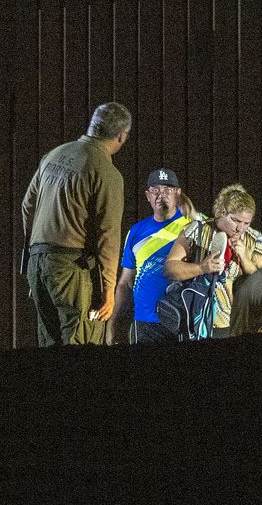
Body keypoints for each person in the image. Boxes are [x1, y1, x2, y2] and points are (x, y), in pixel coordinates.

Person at [21, 102, 130, 346]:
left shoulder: (54, 155)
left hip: (37, 263)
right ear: (121, 136)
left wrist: (37, 247)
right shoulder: (105, 172)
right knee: (81, 346)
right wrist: (108, 290)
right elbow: (108, 236)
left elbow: (28, 207)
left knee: (49, 344)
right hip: (72, 268)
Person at [164, 183, 262, 336]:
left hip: (233, 324)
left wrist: (246, 260)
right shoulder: (197, 230)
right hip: (194, 319)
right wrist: (201, 268)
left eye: (246, 223)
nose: (240, 228)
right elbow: (169, 268)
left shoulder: (255, 239)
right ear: (222, 212)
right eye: (235, 220)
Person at [115, 167, 196, 345]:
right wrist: (113, 325)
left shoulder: (192, 229)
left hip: (180, 322)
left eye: (168, 189)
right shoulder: (136, 231)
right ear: (147, 195)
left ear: (178, 193)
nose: (162, 194)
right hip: (144, 323)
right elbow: (125, 283)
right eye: (155, 190)